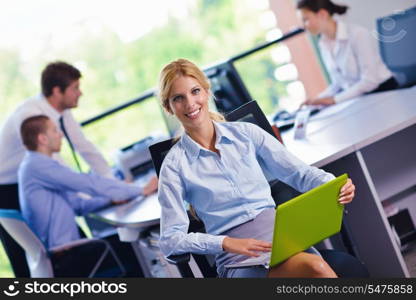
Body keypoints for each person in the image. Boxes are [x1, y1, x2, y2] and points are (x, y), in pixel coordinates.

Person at [156, 58, 355, 278]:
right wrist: (226, 243)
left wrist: (334, 184)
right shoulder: (174, 166)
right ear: (169, 107)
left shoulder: (246, 133)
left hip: (283, 240)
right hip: (238, 259)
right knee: (315, 269)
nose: (190, 103)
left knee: (314, 268)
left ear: (206, 91)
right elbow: (170, 240)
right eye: (178, 98)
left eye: (195, 92)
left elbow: (299, 173)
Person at [0, 61, 157, 276]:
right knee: (129, 248)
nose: (80, 93)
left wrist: (114, 193)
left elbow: (84, 152)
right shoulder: (32, 123)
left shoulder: (56, 116)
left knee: (86, 238)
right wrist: (137, 190)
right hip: (6, 186)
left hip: (36, 185)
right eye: (75, 88)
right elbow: (75, 180)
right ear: (57, 91)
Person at [18, 115, 157, 276]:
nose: (61, 135)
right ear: (42, 138)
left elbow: (78, 206)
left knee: (130, 241)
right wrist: (140, 190)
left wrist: (111, 199)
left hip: (64, 255)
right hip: (67, 257)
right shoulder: (38, 166)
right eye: (55, 130)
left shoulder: (33, 166)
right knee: (135, 245)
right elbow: (88, 183)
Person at [298, 0, 398, 106]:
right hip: (360, 98)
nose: (304, 26)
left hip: (384, 92)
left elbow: (370, 80)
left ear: (323, 14)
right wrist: (316, 100)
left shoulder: (358, 34)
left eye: (306, 19)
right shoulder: (323, 44)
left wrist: (335, 100)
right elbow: (338, 83)